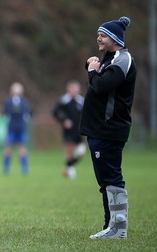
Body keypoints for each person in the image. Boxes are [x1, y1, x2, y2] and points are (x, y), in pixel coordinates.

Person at [80, 16, 136, 240]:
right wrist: (92, 66)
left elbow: (101, 86)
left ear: (115, 38)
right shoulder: (110, 58)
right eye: (98, 34)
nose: (98, 38)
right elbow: (99, 84)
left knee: (111, 178)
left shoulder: (123, 59)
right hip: (99, 130)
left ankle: (118, 228)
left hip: (109, 130)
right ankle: (110, 225)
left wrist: (93, 71)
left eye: (102, 35)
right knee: (105, 180)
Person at [52, 80, 86, 179]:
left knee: (81, 152)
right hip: (68, 131)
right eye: (72, 88)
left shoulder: (81, 101)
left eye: (76, 88)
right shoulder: (64, 101)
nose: (74, 90)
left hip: (79, 130)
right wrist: (64, 121)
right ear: (68, 89)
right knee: (69, 151)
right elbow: (55, 112)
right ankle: (70, 173)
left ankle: (68, 167)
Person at [2, 82, 32, 175]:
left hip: (21, 129)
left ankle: (25, 168)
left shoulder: (25, 102)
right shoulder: (8, 102)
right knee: (8, 148)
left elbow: (29, 113)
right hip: (11, 129)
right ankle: (6, 168)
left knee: (22, 148)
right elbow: (4, 113)